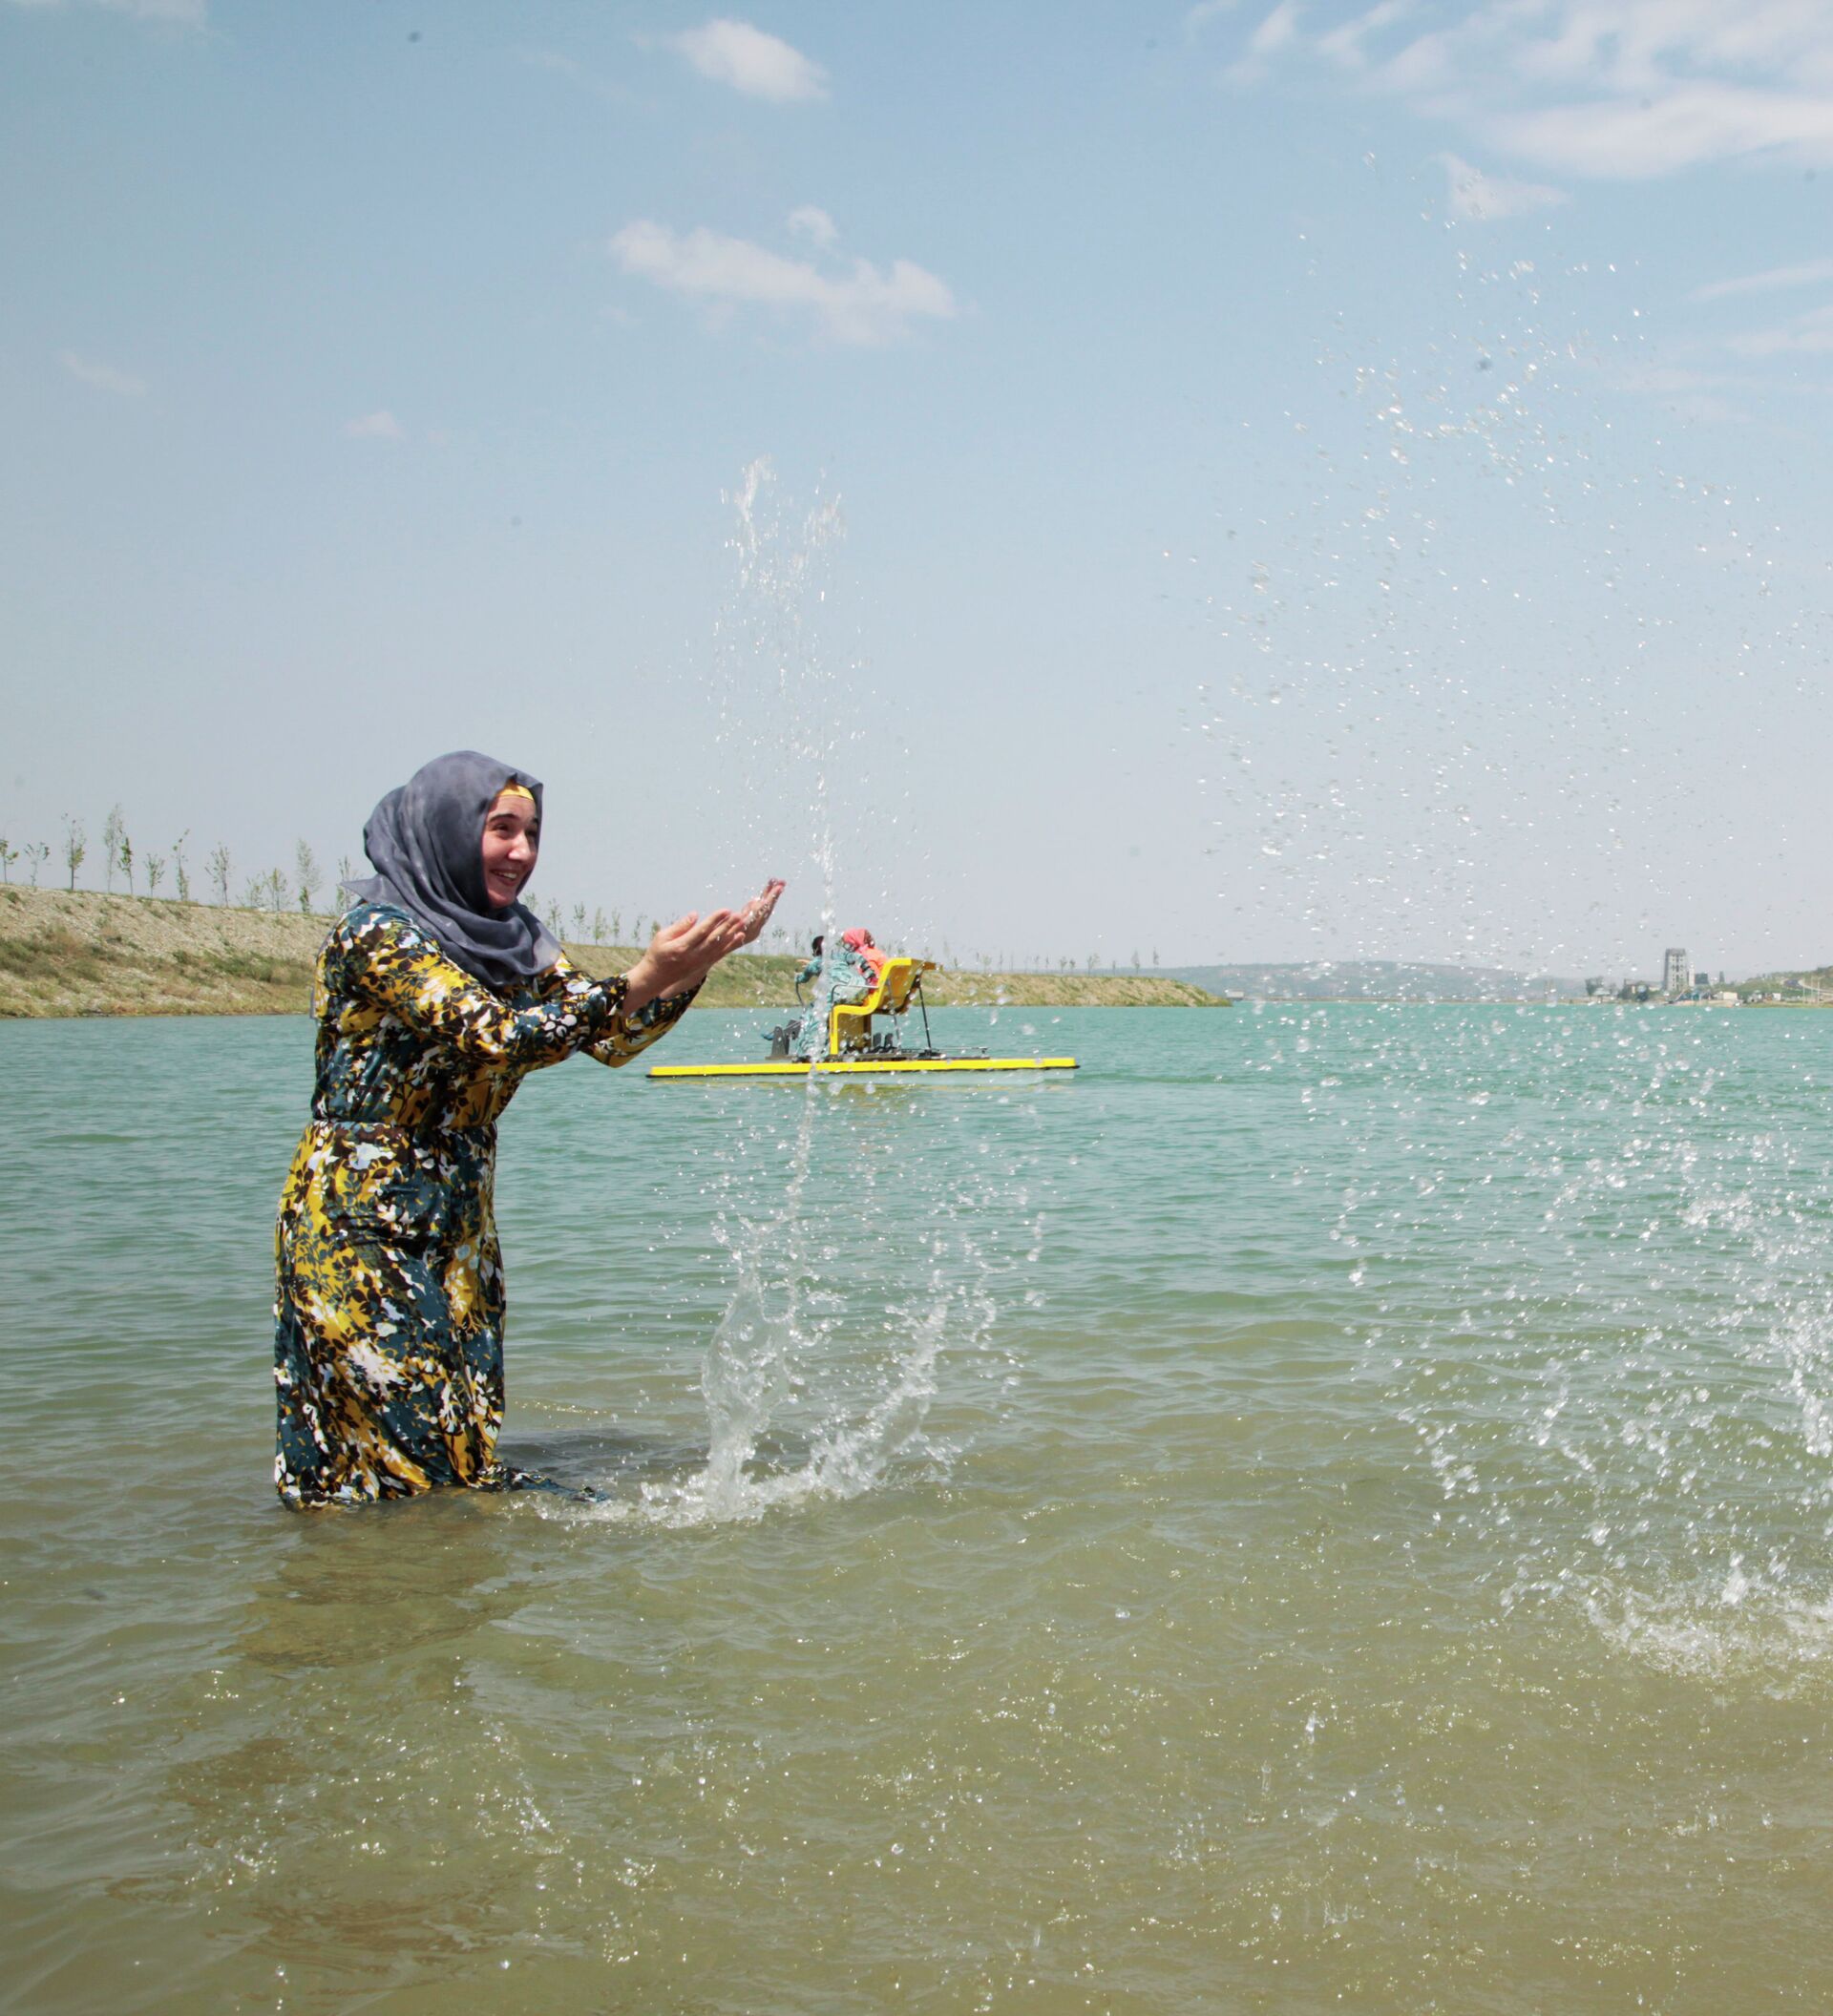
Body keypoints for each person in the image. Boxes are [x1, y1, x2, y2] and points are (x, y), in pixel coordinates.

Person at [272, 749, 782, 1508]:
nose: (521, 852)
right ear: (447, 829)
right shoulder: (377, 935)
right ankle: (372, 1573)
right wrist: (642, 976)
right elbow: (499, 1036)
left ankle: (408, 1572)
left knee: (463, 1437)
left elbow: (611, 1039)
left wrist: (694, 966)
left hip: (460, 1217)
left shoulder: (513, 940)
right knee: (399, 1450)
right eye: (502, 829)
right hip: (361, 1219)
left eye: (533, 833)